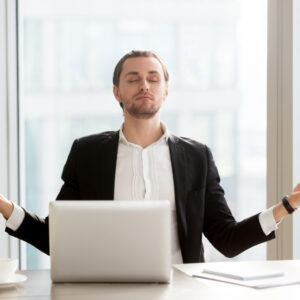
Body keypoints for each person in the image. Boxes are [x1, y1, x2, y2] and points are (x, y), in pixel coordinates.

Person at [1, 50, 300, 264]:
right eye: (133, 79)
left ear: (165, 92)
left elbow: (228, 240)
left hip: (182, 293)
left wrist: (288, 204)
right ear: (117, 92)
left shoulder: (197, 157)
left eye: (153, 79)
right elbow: (56, 237)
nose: (145, 85)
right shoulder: (87, 153)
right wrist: (5, 206)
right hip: (105, 292)